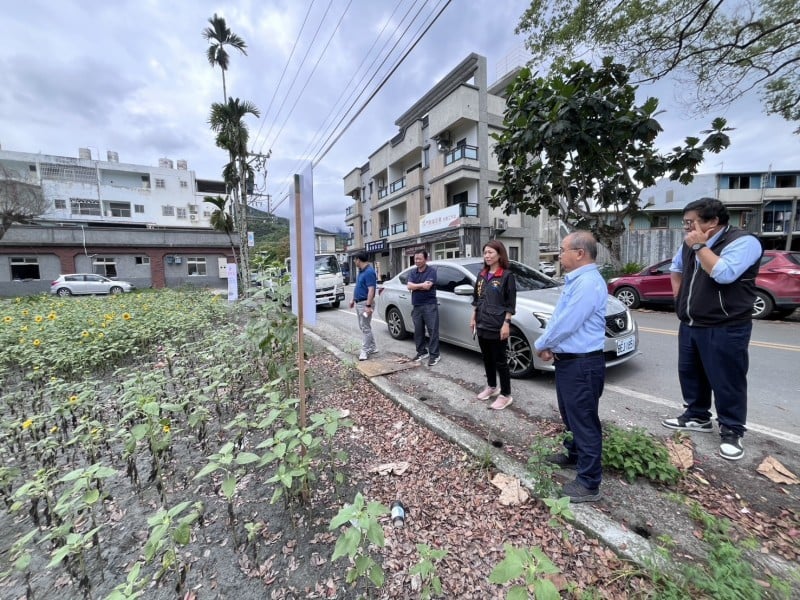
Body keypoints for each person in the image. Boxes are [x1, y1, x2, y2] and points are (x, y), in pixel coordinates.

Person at [662, 198, 762, 461]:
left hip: (725, 325)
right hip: (691, 323)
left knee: (727, 380)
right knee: (691, 373)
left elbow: (724, 274)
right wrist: (679, 298)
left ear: (713, 221)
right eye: (685, 223)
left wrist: (699, 246)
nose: (687, 228)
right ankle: (697, 416)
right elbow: (676, 268)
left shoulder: (743, 242)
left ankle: (732, 430)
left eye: (691, 222)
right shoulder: (689, 243)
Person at [534, 231, 607, 503]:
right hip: (571, 362)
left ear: (580, 253)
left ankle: (589, 482)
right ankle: (574, 454)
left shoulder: (588, 283)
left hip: (582, 363)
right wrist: (551, 345)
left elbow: (568, 323)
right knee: (571, 415)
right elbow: (560, 318)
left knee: (584, 421)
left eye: (563, 250)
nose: (559, 255)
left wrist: (542, 344)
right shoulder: (577, 280)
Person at [470, 240, 516, 410]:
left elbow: (510, 304)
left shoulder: (507, 276)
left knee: (500, 361)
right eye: (485, 253)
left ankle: (506, 394)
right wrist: (473, 317)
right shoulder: (482, 274)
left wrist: (506, 323)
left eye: (490, 252)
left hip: (497, 324)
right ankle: (491, 387)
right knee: (487, 358)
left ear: (499, 254)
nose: (487, 256)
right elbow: (477, 299)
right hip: (482, 323)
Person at [407, 250, 440, 366]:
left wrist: (415, 286)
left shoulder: (431, 271)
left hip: (429, 305)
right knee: (418, 331)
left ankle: (435, 355)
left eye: (419, 259)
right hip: (416, 305)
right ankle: (422, 352)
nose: (417, 261)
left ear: (426, 259)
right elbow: (409, 286)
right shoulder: (413, 272)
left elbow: (428, 287)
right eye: (415, 259)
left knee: (432, 331)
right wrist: (421, 285)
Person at [350, 251, 378, 361]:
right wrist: (353, 299)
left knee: (365, 327)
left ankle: (365, 350)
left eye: (354, 259)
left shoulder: (369, 272)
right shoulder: (361, 271)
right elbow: (358, 286)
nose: (354, 261)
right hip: (359, 303)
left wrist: (368, 305)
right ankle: (373, 347)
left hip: (365, 303)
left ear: (358, 260)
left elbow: (371, 290)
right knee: (364, 327)